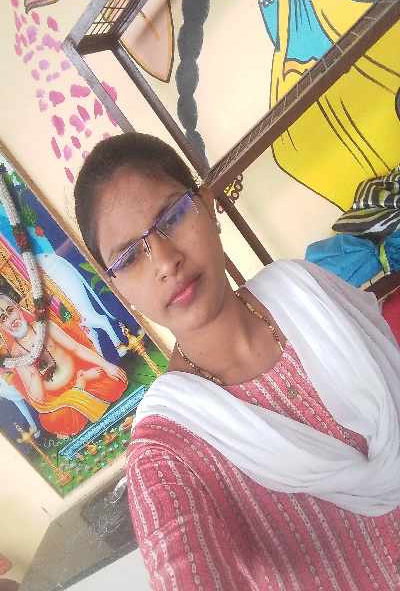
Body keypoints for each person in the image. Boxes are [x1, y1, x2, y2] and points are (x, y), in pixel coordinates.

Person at [74, 132, 400, 590]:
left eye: (172, 216)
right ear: (119, 290)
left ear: (209, 207)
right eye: (129, 257)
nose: (165, 260)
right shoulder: (167, 452)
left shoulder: (306, 290)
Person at [0, 294, 127, 437]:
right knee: (52, 420)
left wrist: (106, 365)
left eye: (10, 311)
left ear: (18, 308)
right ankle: (80, 385)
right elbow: (38, 397)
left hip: (89, 383)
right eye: (3, 318)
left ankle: (80, 388)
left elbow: (76, 348)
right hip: (60, 400)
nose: (10, 319)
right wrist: (33, 372)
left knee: (113, 381)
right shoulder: (16, 355)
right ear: (1, 326)